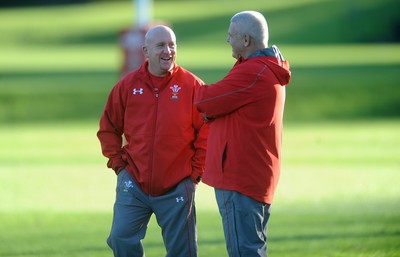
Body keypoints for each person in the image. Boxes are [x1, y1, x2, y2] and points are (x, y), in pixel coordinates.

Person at [97, 25, 208, 257]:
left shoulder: (193, 86)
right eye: (160, 45)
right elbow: (108, 128)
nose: (168, 50)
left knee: (183, 252)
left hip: (178, 184)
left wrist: (194, 175)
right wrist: (119, 166)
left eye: (172, 45)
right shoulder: (127, 86)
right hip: (134, 183)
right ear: (146, 51)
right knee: (120, 238)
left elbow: (207, 133)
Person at [194, 11, 291, 257]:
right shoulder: (259, 69)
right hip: (252, 175)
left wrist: (209, 108)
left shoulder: (253, 72)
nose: (227, 40)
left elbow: (206, 100)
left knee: (244, 251)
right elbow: (222, 103)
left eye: (231, 35)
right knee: (252, 248)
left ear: (246, 40)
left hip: (241, 178)